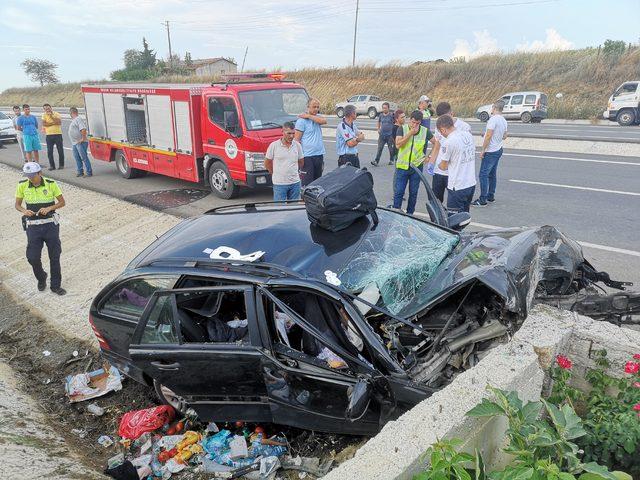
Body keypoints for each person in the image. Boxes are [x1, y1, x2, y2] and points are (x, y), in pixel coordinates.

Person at [14, 162, 67, 295]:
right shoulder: (22, 185)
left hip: (50, 225)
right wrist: (24, 211)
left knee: (54, 256)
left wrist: (49, 208)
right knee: (32, 257)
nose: (30, 178)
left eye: (33, 175)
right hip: (33, 227)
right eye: (28, 176)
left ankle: (55, 285)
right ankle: (41, 277)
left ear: (40, 173)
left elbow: (62, 202)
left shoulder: (51, 183)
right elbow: (17, 205)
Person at [427, 102, 471, 203]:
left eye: (445, 118)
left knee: (454, 203)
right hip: (439, 171)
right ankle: (437, 218)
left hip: (454, 172)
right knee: (435, 200)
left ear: (451, 113)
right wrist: (431, 162)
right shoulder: (440, 125)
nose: (442, 122)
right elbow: (437, 145)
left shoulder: (464, 127)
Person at [393, 110, 436, 215]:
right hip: (402, 167)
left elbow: (436, 143)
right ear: (409, 120)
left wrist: (429, 157)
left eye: (417, 123)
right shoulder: (402, 129)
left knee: (413, 193)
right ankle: (395, 213)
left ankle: (410, 214)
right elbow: (398, 145)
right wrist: (410, 134)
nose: (414, 125)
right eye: (413, 122)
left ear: (420, 122)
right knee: (399, 192)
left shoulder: (425, 131)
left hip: (416, 168)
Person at [436, 115, 476, 213]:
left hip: (457, 186)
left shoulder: (449, 142)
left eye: (440, 132)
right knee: (465, 215)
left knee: (454, 220)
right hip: (470, 183)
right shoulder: (468, 135)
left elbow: (443, 166)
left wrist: (438, 165)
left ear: (443, 129)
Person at [472, 100, 508, 206]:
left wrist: (483, 150)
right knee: (492, 174)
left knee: (483, 175)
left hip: (491, 150)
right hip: (499, 149)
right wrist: (495, 136)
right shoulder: (503, 120)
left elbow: (488, 136)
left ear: (493, 107)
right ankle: (491, 196)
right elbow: (505, 136)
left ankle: (482, 200)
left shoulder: (493, 120)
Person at [265, 121, 304, 201]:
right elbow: (267, 163)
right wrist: (274, 172)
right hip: (280, 184)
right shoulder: (274, 146)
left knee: (293, 209)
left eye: (293, 133)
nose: (291, 136)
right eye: (289, 133)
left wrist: (294, 171)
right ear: (282, 132)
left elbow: (301, 161)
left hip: (295, 183)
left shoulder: (297, 145)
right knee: (279, 209)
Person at [294, 98, 326, 186]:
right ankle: (305, 199)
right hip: (307, 156)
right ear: (308, 107)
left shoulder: (317, 118)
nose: (316, 109)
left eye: (317, 107)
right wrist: (298, 157)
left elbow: (324, 121)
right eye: (314, 107)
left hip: (319, 155)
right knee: (307, 183)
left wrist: (309, 116)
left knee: (318, 182)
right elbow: (296, 140)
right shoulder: (301, 121)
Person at [68, 107, 93, 177]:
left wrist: (83, 138)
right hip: (75, 143)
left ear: (72, 113)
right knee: (77, 157)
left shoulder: (78, 119)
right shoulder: (74, 120)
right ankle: (80, 171)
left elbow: (83, 129)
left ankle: (89, 172)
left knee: (84, 157)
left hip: (80, 142)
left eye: (70, 113)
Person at [371, 102, 395, 166]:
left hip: (390, 135)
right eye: (383, 108)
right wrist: (378, 129)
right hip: (382, 135)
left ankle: (391, 160)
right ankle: (376, 161)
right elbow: (378, 122)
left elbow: (396, 123)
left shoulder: (392, 115)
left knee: (390, 149)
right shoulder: (381, 115)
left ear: (388, 108)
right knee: (379, 148)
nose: (384, 109)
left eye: (385, 108)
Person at [42, 103, 65, 170]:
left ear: (51, 108)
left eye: (48, 108)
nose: (47, 110)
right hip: (49, 135)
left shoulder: (56, 114)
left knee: (60, 150)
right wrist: (53, 123)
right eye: (45, 109)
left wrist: (51, 116)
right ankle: (52, 166)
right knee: (50, 151)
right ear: (44, 110)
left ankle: (61, 165)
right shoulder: (44, 115)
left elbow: (59, 122)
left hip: (58, 134)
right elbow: (44, 124)